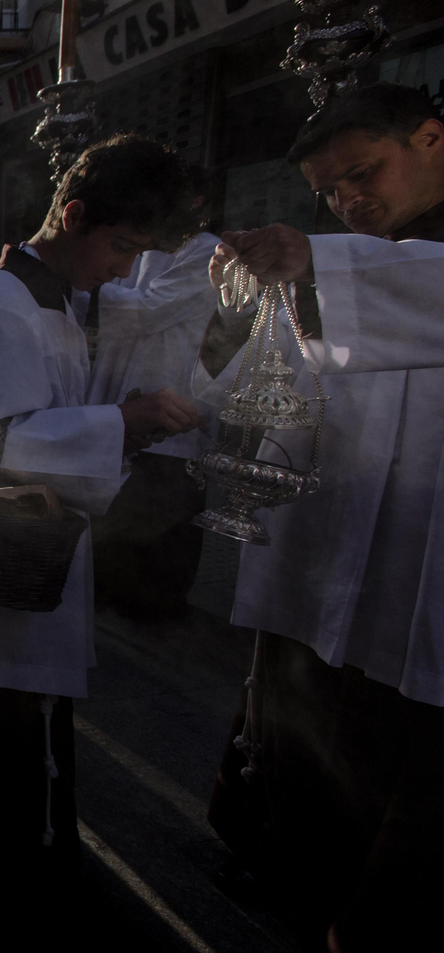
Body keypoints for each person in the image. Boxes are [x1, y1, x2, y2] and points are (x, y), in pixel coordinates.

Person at [0, 136, 203, 951]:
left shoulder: (57, 301)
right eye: (124, 248)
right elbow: (0, 439)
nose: (125, 270)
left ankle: (20, 857)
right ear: (72, 217)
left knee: (20, 713)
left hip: (28, 559)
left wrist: (118, 418)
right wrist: (120, 425)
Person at [201, 83, 444, 952]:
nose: (349, 201)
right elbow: (289, 386)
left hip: (425, 571)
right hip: (333, 557)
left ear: (430, 137)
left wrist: (316, 261)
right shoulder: (347, 260)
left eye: (363, 173)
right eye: (331, 191)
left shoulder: (362, 263)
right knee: (311, 755)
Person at [87, 214, 221, 619]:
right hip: (117, 412)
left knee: (159, 545)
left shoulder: (203, 251)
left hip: (171, 421)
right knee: (112, 546)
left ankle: (159, 629)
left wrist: (75, 291)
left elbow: (147, 311)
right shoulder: (134, 245)